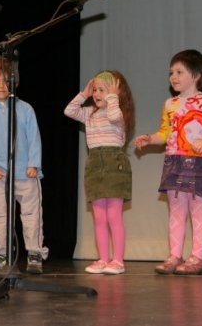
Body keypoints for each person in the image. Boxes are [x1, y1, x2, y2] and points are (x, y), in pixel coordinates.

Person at [134, 49, 202, 275]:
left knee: (198, 211)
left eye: (179, 72)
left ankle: (197, 257)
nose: (173, 77)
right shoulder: (170, 104)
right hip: (174, 161)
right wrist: (149, 139)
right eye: (171, 73)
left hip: (197, 162)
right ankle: (174, 255)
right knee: (176, 211)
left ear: (196, 75)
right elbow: (165, 134)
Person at [0, 56, 48, 274]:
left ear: (15, 83)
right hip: (0, 176)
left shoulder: (25, 109)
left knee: (32, 214)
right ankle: (2, 255)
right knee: (1, 216)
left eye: (7, 80)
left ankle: (34, 254)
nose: (2, 85)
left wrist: (33, 163)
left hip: (26, 173)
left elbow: (34, 137)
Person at [64, 70, 135, 275]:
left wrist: (113, 97)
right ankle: (103, 258)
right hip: (95, 165)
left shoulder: (119, 113)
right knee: (99, 217)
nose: (97, 93)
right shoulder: (89, 113)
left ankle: (118, 260)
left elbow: (113, 115)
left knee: (114, 215)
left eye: (102, 89)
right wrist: (83, 94)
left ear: (116, 93)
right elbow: (69, 110)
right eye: (95, 89)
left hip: (114, 166)